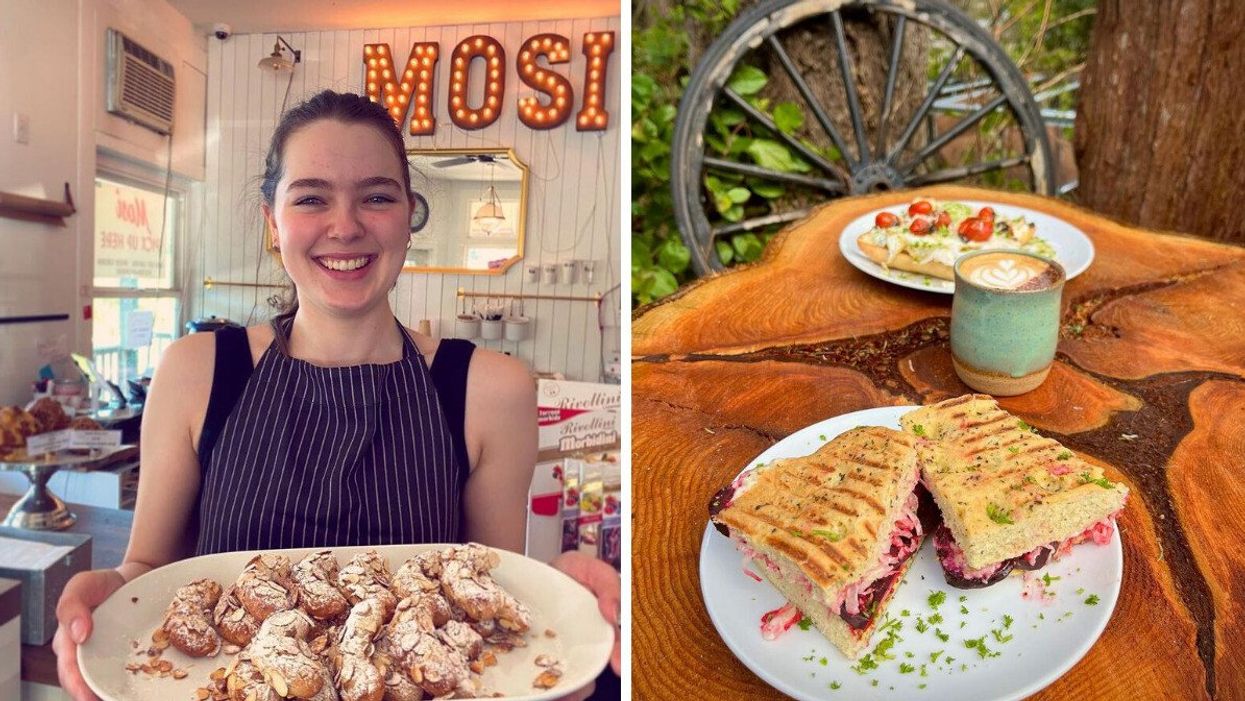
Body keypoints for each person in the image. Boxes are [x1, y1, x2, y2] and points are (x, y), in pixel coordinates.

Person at [53, 90, 621, 700]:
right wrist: (111, 600)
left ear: (409, 218)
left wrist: (566, 614)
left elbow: (485, 600)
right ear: (273, 223)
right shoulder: (197, 371)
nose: (345, 226)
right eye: (311, 198)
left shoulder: (492, 389)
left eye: (377, 197)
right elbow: (148, 574)